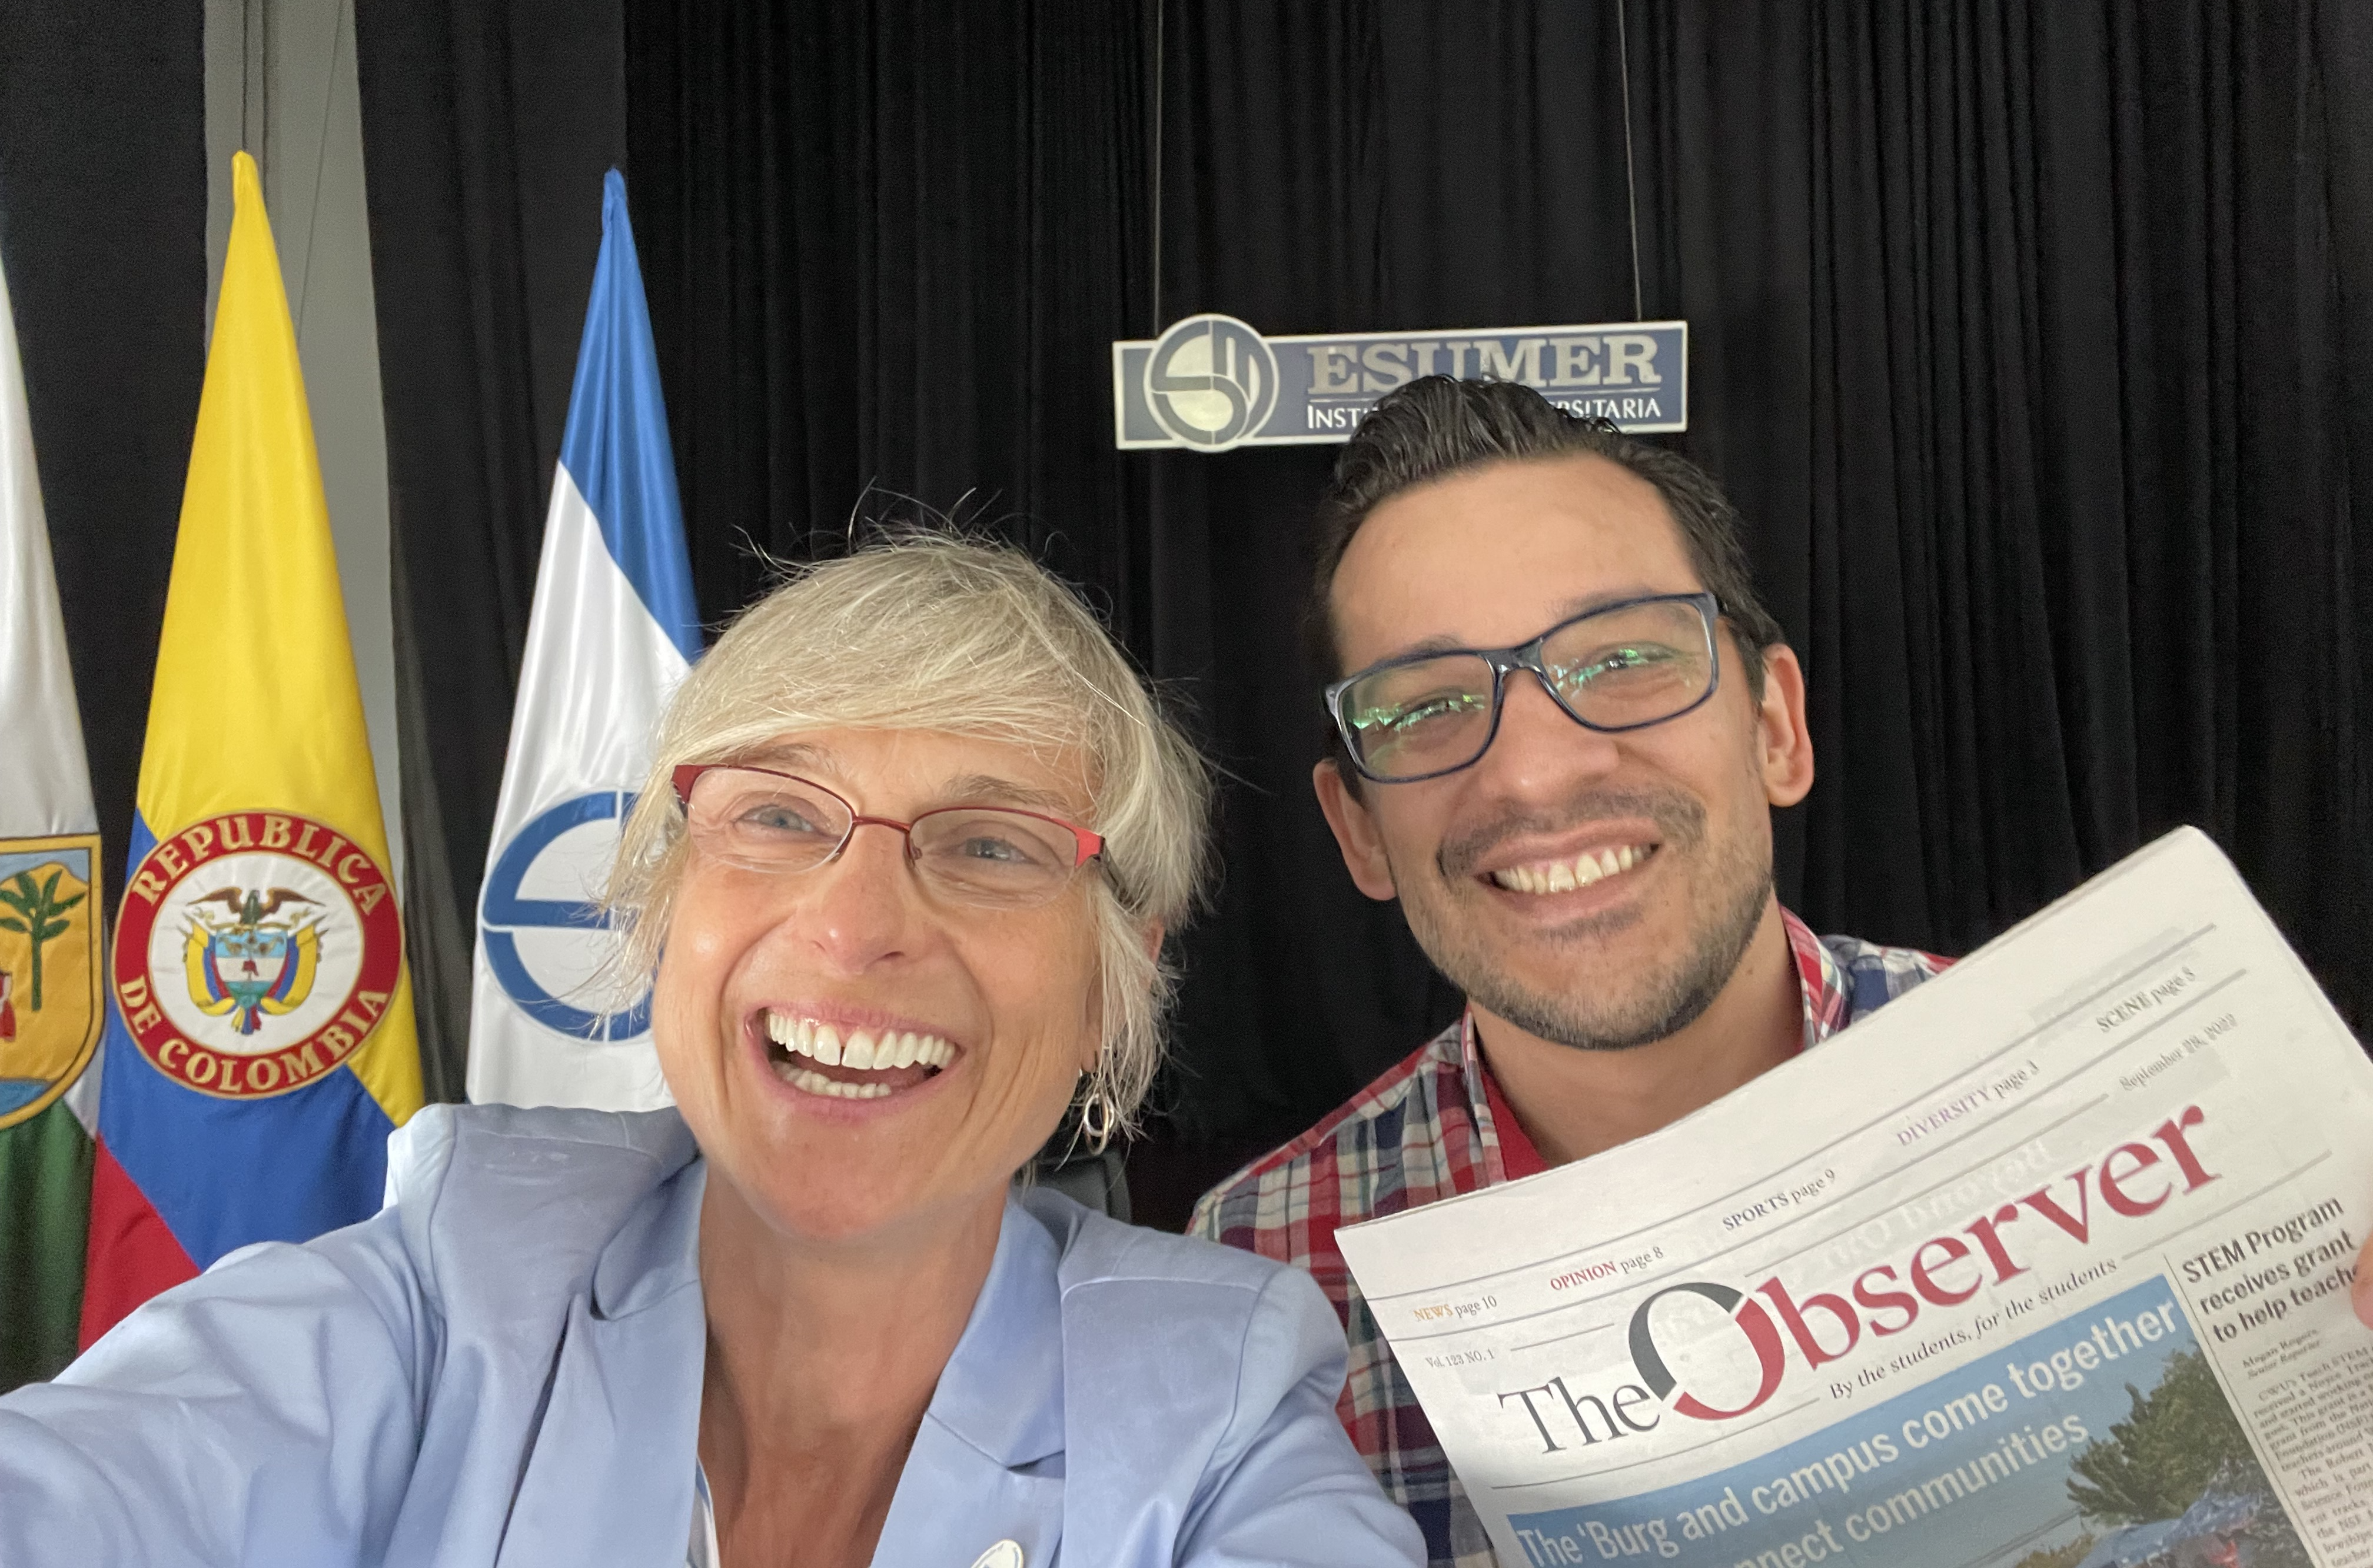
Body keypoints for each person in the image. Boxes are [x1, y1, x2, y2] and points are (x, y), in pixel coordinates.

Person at [0, 534, 1424, 1568]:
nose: (856, 926)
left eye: (992, 846)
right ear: (664, 895)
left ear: (1124, 979)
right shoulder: (453, 1278)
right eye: (779, 818)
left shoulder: (1216, 1404)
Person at [1189, 379, 1949, 1567]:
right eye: (1427, 707)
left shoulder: (2131, 1077)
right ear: (1357, 833)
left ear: (1776, 728)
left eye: (1627, 657)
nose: (1536, 776)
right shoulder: (1256, 1277)